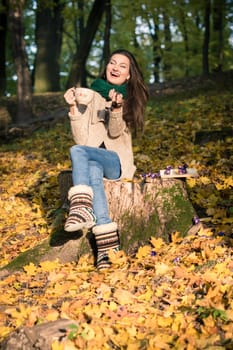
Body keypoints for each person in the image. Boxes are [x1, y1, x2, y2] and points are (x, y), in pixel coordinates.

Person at [63, 49, 149, 270]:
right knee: (89, 165)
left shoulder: (129, 97)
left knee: (78, 152)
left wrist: (117, 108)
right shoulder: (91, 94)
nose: (115, 68)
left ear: (129, 75)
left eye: (122, 66)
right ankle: (108, 248)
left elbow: (114, 132)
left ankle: (81, 206)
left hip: (117, 162)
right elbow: (82, 138)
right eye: (112, 63)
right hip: (95, 159)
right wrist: (74, 108)